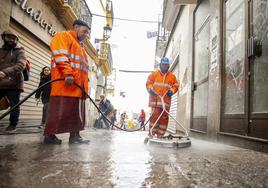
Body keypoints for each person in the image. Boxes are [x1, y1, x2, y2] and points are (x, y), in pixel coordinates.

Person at [43, 19, 91, 144]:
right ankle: (49, 136)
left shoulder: (80, 47)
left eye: (87, 33)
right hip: (65, 84)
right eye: (84, 31)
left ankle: (75, 136)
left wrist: (85, 88)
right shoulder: (63, 36)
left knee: (75, 114)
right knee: (58, 111)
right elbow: (60, 56)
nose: (86, 35)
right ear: (75, 27)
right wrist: (68, 73)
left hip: (77, 87)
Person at [0, 30, 27, 133]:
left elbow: (21, 65)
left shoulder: (19, 51)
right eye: (9, 37)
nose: (11, 40)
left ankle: (12, 125)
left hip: (14, 83)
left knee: (14, 105)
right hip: (1, 82)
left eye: (14, 38)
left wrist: (5, 72)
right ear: (3, 38)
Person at [146, 57, 179, 137]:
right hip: (156, 101)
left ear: (168, 66)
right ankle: (151, 134)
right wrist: (150, 89)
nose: (164, 66)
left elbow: (176, 85)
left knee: (164, 119)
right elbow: (148, 83)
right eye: (163, 65)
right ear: (160, 65)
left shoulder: (172, 76)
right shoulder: (154, 74)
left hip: (166, 102)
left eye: (166, 65)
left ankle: (160, 135)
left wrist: (172, 90)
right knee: (155, 118)